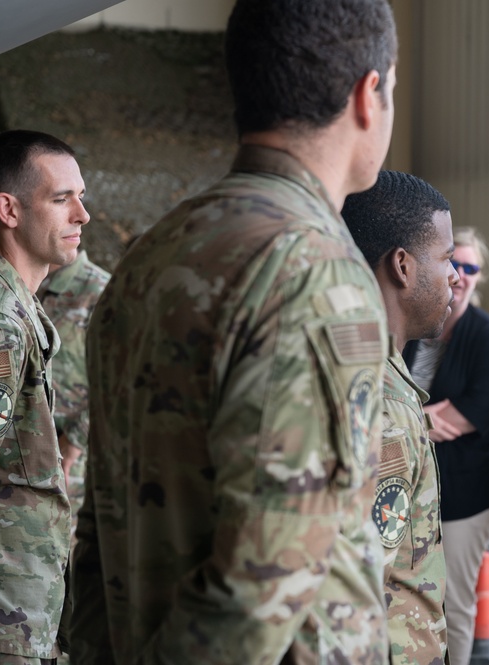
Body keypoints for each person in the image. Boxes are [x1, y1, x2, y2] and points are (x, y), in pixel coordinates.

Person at [70, 0, 398, 661]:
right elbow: (263, 585)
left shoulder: (146, 258)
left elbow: (100, 534)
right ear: (369, 94)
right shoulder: (314, 273)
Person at [0, 129, 89, 662]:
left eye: (82, 197)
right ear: (8, 209)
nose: (82, 216)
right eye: (62, 199)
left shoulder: (16, 309)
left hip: (20, 613)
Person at [342, 170, 459, 665]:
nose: (455, 275)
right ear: (403, 266)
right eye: (447, 258)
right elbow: (360, 593)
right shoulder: (383, 401)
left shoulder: (362, 361)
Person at [403, 227, 489, 665]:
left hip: (467, 493)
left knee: (455, 602)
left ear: (479, 275)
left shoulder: (488, 336)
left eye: (471, 267)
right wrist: (428, 419)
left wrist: (407, 421)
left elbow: (471, 415)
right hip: (417, 487)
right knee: (414, 595)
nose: (461, 274)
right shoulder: (422, 326)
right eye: (454, 263)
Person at [37, 251, 111, 542]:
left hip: (73, 461)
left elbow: (115, 382)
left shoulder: (99, 291)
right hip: (30, 455)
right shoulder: (29, 284)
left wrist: (74, 446)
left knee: (67, 561)